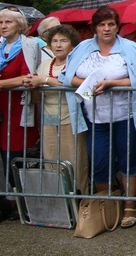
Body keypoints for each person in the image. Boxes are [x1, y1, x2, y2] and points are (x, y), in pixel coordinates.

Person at [60, 5, 136, 229]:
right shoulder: (82, 48)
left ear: (117, 26)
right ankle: (108, 202)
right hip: (94, 118)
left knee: (128, 158)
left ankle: (129, 203)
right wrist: (89, 84)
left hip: (125, 115)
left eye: (111, 24)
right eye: (102, 25)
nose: (106, 29)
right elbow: (67, 77)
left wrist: (112, 84)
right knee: (99, 162)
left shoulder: (130, 48)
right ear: (95, 27)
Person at [0, 7, 41, 201]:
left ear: (20, 25)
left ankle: (24, 200)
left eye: (8, 22)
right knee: (1, 154)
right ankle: (9, 200)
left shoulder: (29, 45)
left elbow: (29, 77)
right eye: (0, 22)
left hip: (19, 109)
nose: (3, 26)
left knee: (17, 154)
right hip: (0, 110)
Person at [32, 24, 89, 195]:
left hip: (71, 118)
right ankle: (56, 202)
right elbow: (36, 93)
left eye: (63, 41)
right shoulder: (44, 65)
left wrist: (46, 80)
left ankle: (80, 201)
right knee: (51, 162)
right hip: (48, 119)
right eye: (55, 41)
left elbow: (72, 83)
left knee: (75, 162)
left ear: (72, 45)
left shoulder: (78, 63)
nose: (58, 45)